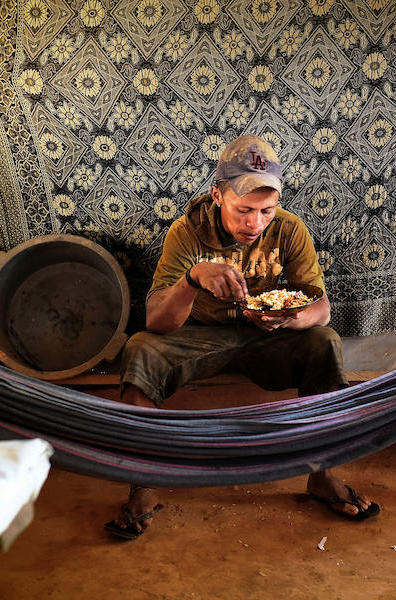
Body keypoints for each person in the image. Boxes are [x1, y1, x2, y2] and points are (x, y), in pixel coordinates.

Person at [105, 134, 379, 539]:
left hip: (264, 338)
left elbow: (321, 309)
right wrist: (193, 278)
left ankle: (322, 475)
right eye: (244, 210)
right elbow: (157, 322)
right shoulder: (187, 231)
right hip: (199, 336)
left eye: (267, 210)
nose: (256, 223)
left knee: (325, 342)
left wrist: (288, 319)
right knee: (140, 349)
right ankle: (143, 484)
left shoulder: (289, 229)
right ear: (217, 195)